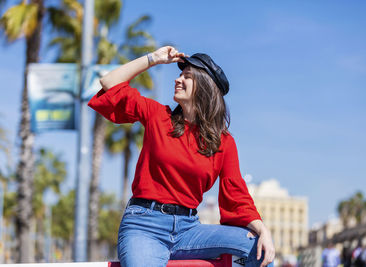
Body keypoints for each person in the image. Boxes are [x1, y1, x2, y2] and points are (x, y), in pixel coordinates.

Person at [88, 46, 275, 267]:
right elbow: (110, 83)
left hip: (189, 230)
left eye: (186, 77)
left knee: (259, 250)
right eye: (179, 75)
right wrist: (153, 59)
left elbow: (236, 193)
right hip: (144, 226)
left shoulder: (224, 142)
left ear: (205, 88)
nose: (177, 80)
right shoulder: (158, 115)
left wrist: (263, 229)